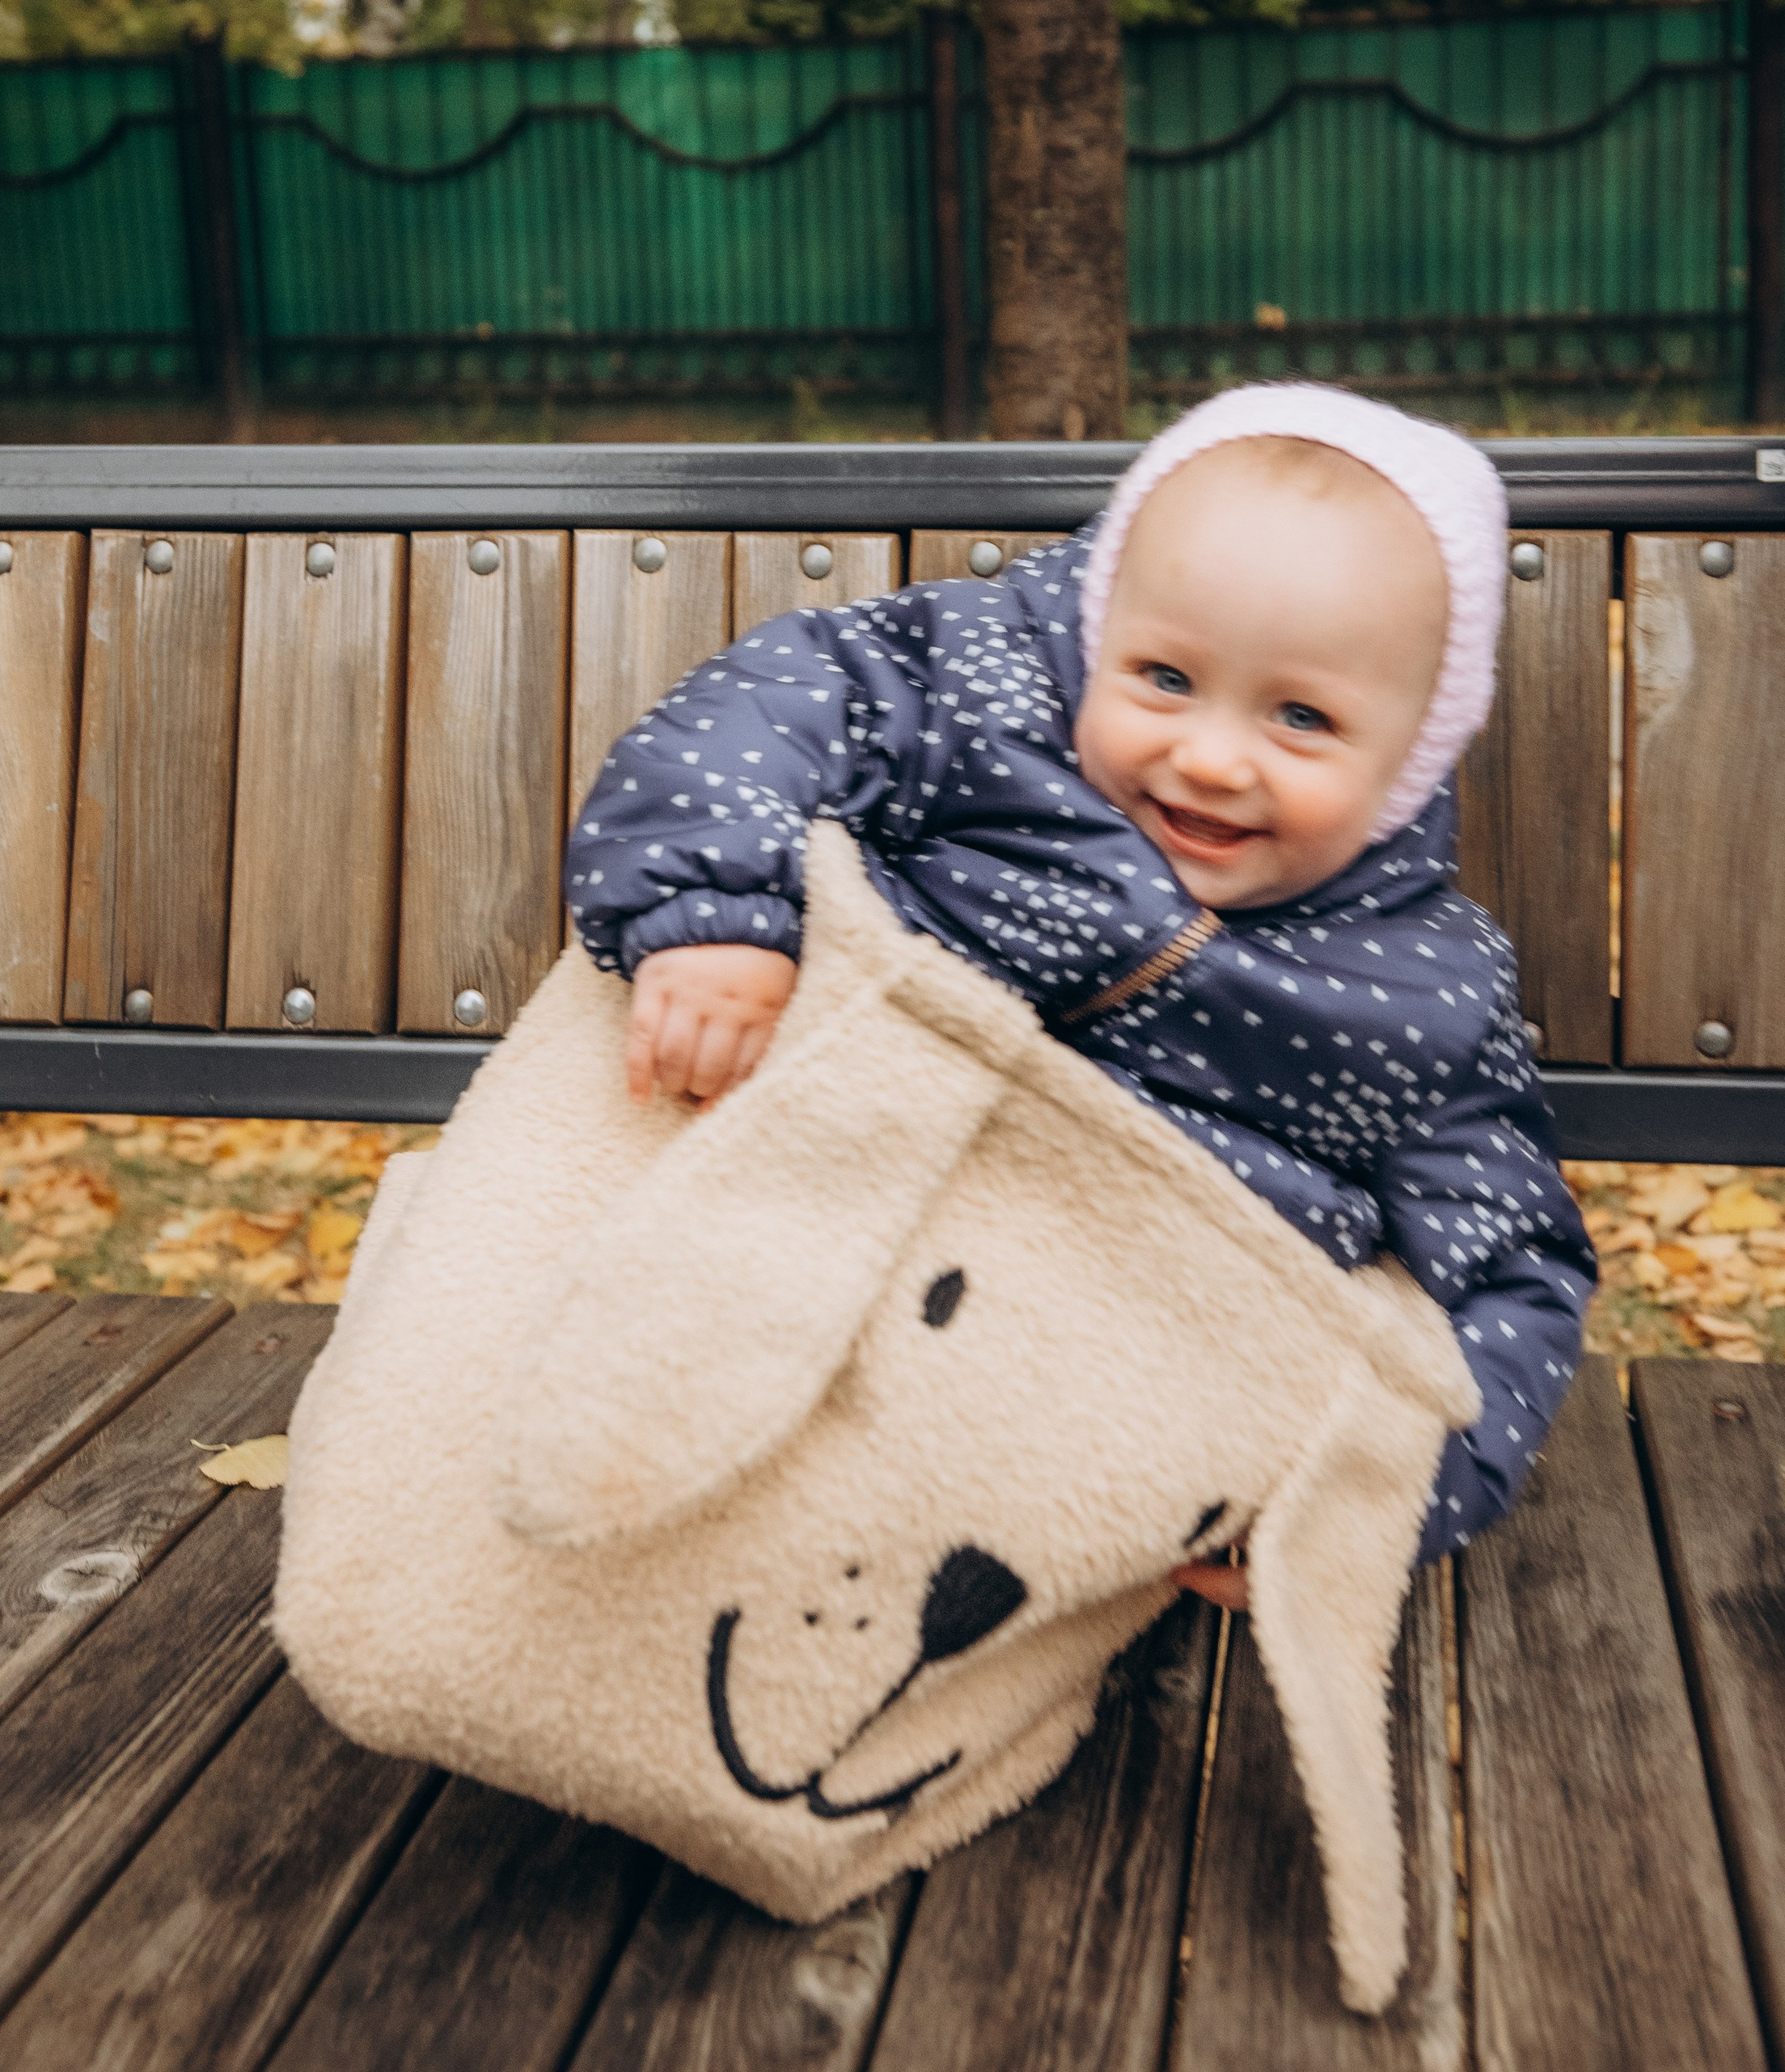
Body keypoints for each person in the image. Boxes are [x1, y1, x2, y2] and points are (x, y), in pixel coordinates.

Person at [563, 383, 1596, 1592]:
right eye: (1163, 675)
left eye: (1302, 716)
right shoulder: (983, 705)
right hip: (831, 1177)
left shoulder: (1421, 995)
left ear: (1412, 758)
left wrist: (1392, 1490)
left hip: (1106, 1346)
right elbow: (765, 706)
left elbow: (1517, 1264)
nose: (1209, 755)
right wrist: (714, 918)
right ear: (1102, 630)